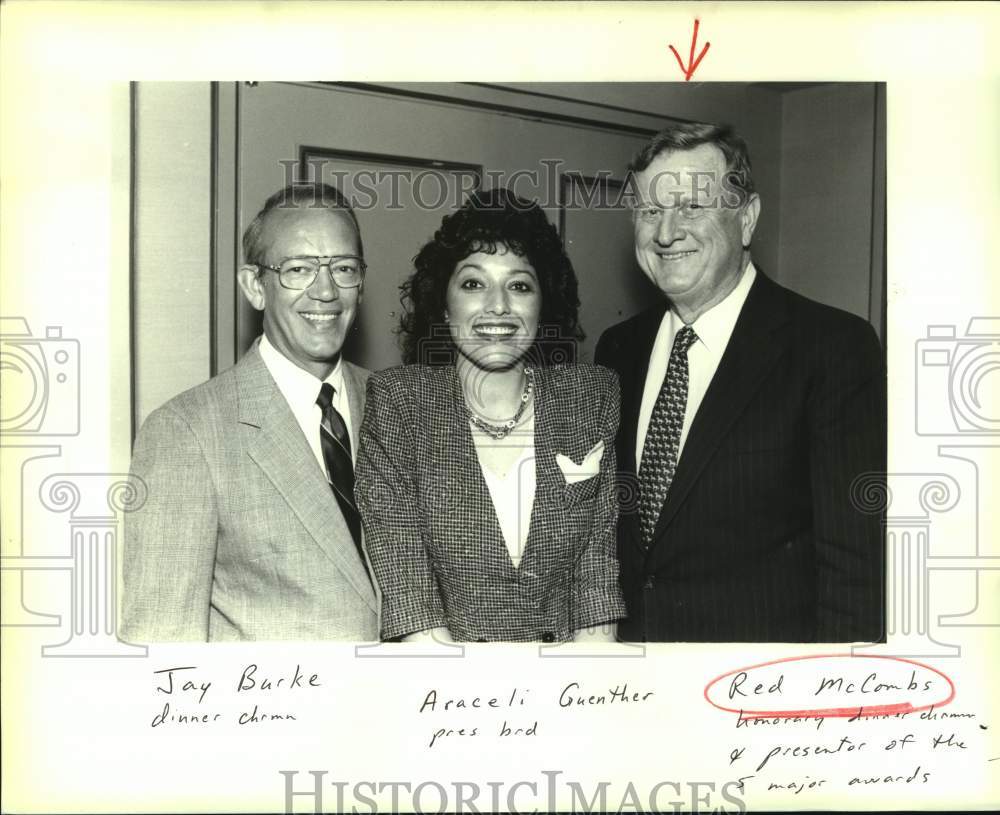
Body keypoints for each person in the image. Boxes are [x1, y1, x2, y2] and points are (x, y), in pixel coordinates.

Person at [595, 122, 886, 642]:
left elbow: (854, 566)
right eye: (649, 211)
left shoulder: (831, 346)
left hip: (759, 693)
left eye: (691, 206)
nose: (665, 232)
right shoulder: (617, 349)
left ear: (746, 218)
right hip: (631, 684)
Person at [355, 188, 625, 643]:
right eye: (473, 284)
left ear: (543, 305)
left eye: (519, 285)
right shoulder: (399, 404)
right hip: (447, 692)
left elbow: (596, 585)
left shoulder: (590, 397)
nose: (498, 305)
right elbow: (410, 598)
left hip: (566, 688)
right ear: (444, 304)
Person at [122, 183, 378, 641]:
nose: (326, 291)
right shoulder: (187, 432)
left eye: (343, 268)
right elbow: (162, 651)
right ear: (254, 287)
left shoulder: (395, 404)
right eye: (298, 269)